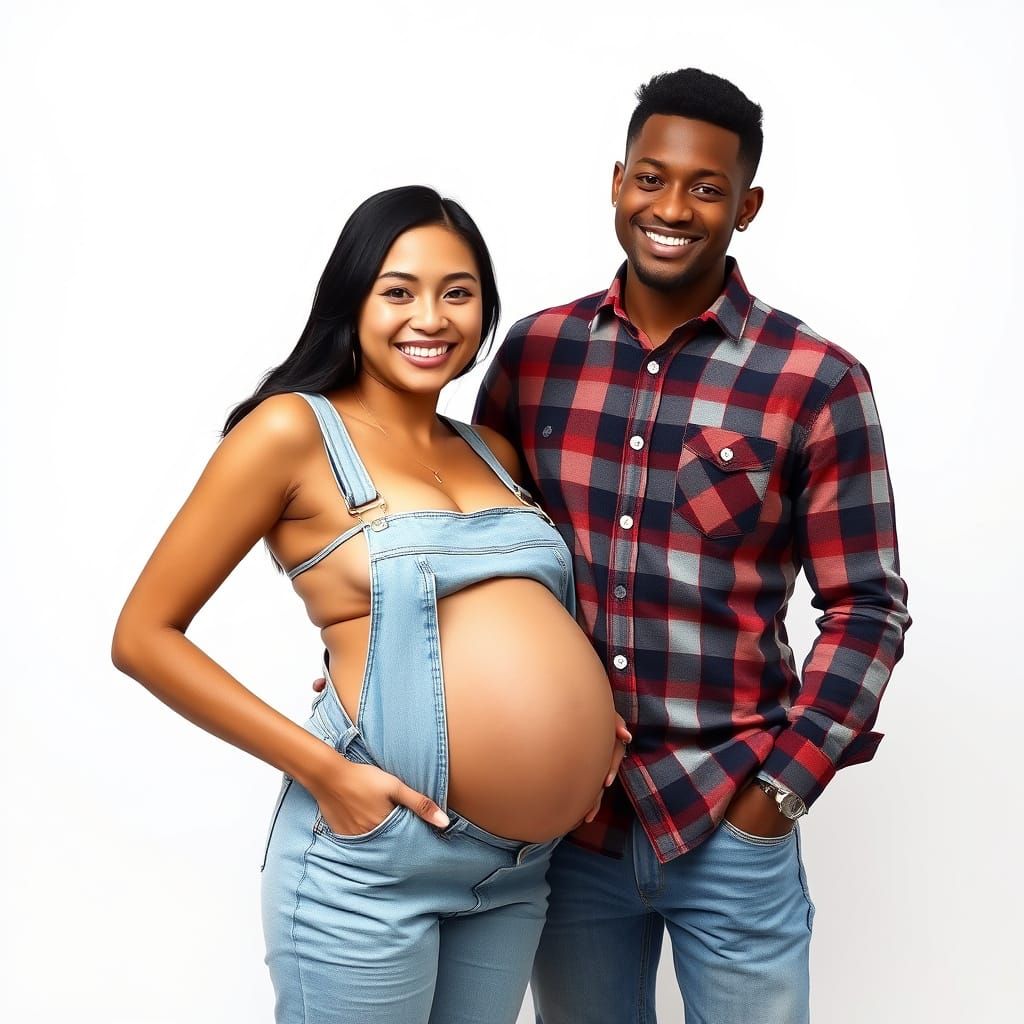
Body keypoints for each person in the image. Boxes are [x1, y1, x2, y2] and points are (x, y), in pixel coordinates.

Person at [110, 185, 627, 1024]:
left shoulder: (489, 450)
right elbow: (143, 636)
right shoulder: (291, 432)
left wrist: (587, 720)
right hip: (373, 865)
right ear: (351, 299)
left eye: (457, 292)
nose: (431, 317)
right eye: (399, 290)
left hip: (515, 872)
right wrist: (328, 774)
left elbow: (513, 618)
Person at [472, 69, 912, 1023]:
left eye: (706, 188)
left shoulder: (817, 381)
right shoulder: (534, 354)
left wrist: (779, 797)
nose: (672, 207)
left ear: (746, 206)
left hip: (728, 819)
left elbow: (868, 605)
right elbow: (472, 563)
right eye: (650, 177)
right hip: (570, 826)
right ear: (617, 182)